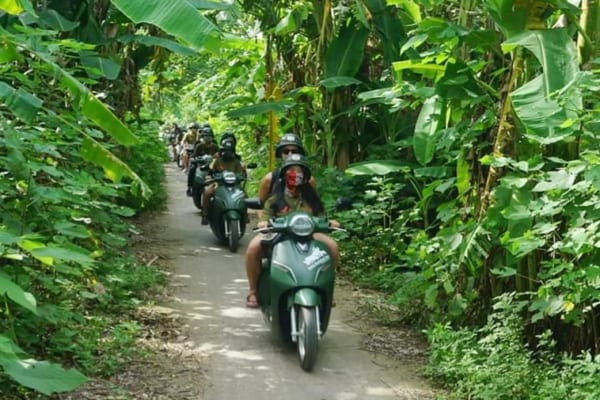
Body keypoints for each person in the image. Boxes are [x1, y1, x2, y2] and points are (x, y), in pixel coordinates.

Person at [244, 154, 339, 308]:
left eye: (299, 170)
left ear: (306, 175)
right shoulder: (275, 198)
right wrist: (264, 223)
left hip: (310, 233)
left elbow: (321, 217)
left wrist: (329, 223)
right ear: (284, 174)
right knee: (253, 248)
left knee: (332, 247)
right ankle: (253, 291)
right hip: (280, 233)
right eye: (291, 169)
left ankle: (326, 291)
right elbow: (264, 217)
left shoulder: (311, 197)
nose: (295, 173)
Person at [201, 140, 245, 225]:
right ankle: (205, 215)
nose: (227, 153)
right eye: (225, 150)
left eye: (229, 151)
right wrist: (210, 177)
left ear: (233, 152)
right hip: (219, 184)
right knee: (207, 193)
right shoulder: (218, 161)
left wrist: (240, 177)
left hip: (234, 185)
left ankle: (244, 215)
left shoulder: (236, 161)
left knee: (245, 195)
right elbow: (211, 172)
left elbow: (240, 173)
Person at [186, 126, 219, 196]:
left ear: (212, 137)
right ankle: (189, 187)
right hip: (200, 164)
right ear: (203, 137)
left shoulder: (215, 146)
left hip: (212, 165)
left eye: (209, 136)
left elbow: (219, 155)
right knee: (192, 169)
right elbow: (193, 156)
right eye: (206, 136)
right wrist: (196, 159)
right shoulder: (199, 146)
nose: (208, 138)